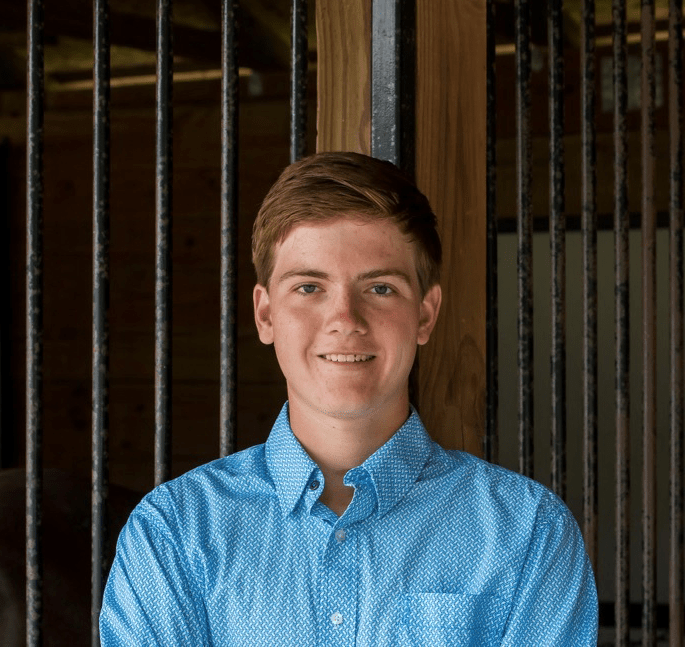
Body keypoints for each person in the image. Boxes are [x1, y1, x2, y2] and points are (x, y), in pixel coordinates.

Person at [100, 152, 598, 645]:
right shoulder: (174, 535)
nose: (345, 319)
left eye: (380, 288)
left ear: (425, 315)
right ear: (266, 314)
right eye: (309, 287)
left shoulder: (529, 535)